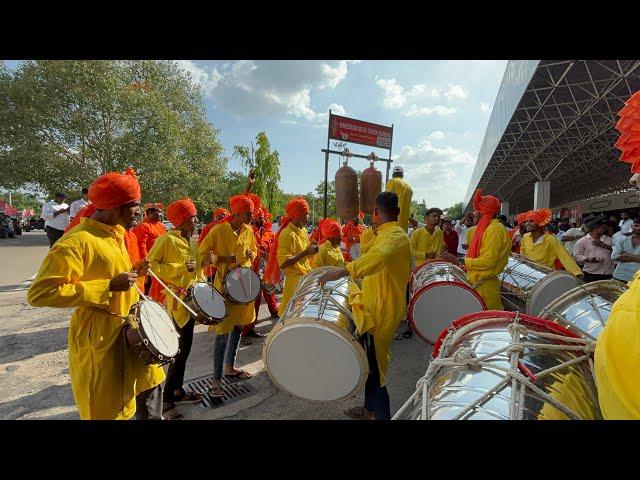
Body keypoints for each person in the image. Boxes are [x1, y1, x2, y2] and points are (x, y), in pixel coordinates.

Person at [27, 168, 165, 420]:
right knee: (105, 410)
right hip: (98, 339)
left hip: (127, 328)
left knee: (135, 397)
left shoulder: (117, 234)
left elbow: (113, 272)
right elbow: (40, 292)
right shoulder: (76, 241)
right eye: (134, 206)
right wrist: (107, 287)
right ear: (115, 207)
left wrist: (134, 270)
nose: (138, 212)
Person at [317, 192, 411, 420]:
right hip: (373, 306)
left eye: (373, 214)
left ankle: (381, 415)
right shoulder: (384, 233)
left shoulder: (395, 236)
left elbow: (378, 257)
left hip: (382, 311)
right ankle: (369, 410)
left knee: (377, 369)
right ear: (397, 213)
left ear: (376, 214)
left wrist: (341, 271)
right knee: (370, 363)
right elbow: (369, 250)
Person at [146, 198, 212, 420]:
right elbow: (150, 266)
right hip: (176, 303)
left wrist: (203, 263)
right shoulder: (166, 240)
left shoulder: (191, 241)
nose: (196, 220)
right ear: (183, 221)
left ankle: (177, 390)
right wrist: (180, 267)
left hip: (190, 301)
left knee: (185, 350)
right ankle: (165, 401)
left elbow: (194, 270)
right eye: (193, 217)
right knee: (176, 352)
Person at [198, 195, 258, 398]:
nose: (252, 216)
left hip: (244, 286)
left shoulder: (249, 231)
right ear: (238, 213)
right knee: (222, 336)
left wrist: (252, 255)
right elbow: (203, 255)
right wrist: (222, 258)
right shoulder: (218, 230)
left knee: (239, 328)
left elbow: (254, 251)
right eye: (249, 213)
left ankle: (230, 367)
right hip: (224, 289)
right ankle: (216, 381)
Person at [264, 197, 318, 317]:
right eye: (306, 214)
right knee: (290, 318)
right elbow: (283, 263)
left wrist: (311, 250)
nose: (308, 217)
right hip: (294, 282)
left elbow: (304, 256)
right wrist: (306, 251)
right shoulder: (287, 234)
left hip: (305, 279)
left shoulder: (303, 231)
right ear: (297, 216)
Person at [464, 190, 511, 310]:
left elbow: (489, 261)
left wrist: (466, 262)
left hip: (486, 290)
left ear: (483, 211)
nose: (473, 213)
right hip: (480, 287)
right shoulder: (486, 228)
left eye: (476, 210)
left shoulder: (494, 230)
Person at [241, 197, 279, 345]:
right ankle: (243, 333)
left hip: (265, 270)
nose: (261, 219)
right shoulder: (250, 231)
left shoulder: (270, 233)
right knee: (250, 302)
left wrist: (270, 256)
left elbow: (274, 249)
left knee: (265, 295)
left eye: (263, 217)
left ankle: (251, 328)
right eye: (258, 217)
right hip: (251, 271)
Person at [520, 208, 582, 277]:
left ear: (540, 223)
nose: (527, 224)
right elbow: (523, 251)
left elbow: (564, 256)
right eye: (526, 221)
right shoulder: (525, 237)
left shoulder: (550, 239)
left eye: (531, 221)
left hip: (545, 275)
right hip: (528, 273)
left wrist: (576, 273)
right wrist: (523, 258)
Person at [132, 206, 167, 297]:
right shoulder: (143, 226)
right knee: (147, 289)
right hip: (147, 265)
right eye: (158, 212)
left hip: (160, 264)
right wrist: (147, 263)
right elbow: (141, 246)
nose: (161, 214)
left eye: (161, 211)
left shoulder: (161, 225)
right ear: (150, 213)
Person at [611, 217, 640, 283]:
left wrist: (627, 255)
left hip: (636, 279)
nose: (638, 228)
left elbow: (618, 256)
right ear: (632, 226)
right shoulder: (622, 240)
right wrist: (637, 257)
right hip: (619, 276)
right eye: (636, 225)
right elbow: (614, 256)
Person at [385, 165, 413, 232]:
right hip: (403, 228)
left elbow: (386, 201)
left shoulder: (391, 182)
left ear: (392, 175)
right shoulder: (409, 188)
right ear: (402, 175)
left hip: (391, 225)